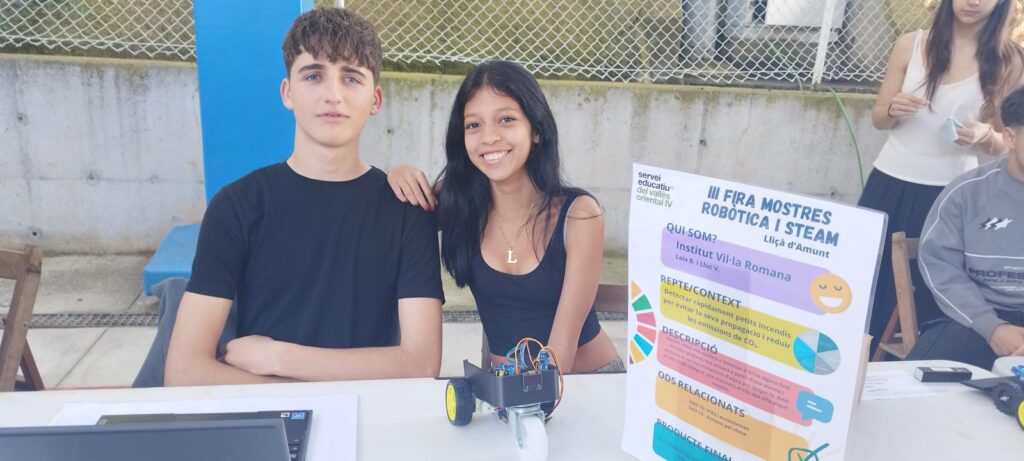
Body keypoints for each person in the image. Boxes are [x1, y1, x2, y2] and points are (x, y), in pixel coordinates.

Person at [158, 8, 445, 386]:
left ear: (375, 100)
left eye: (351, 78)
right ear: (287, 92)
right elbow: (183, 371)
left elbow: (420, 363)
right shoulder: (236, 206)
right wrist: (297, 403)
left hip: (368, 413)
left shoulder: (406, 209)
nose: (332, 95)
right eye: (313, 76)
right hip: (266, 417)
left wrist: (279, 356)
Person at [388, 61, 622, 373]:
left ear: (535, 130)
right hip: (506, 387)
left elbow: (560, 352)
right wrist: (396, 173)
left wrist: (509, 394)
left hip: (590, 382)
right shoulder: (457, 203)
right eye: (474, 125)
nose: (489, 137)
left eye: (506, 120)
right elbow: (390, 224)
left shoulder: (579, 215)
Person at [861, 0, 1023, 355]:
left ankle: (915, 368)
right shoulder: (910, 44)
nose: (973, 1)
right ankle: (851, 363)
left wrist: (983, 135)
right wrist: (893, 109)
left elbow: (1008, 141)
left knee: (929, 297)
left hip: (951, 194)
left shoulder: (1009, 60)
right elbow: (879, 118)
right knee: (863, 285)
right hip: (889, 181)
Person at [906, 85, 1024, 369]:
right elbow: (939, 265)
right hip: (977, 319)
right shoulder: (967, 192)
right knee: (918, 375)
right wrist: (992, 327)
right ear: (1010, 137)